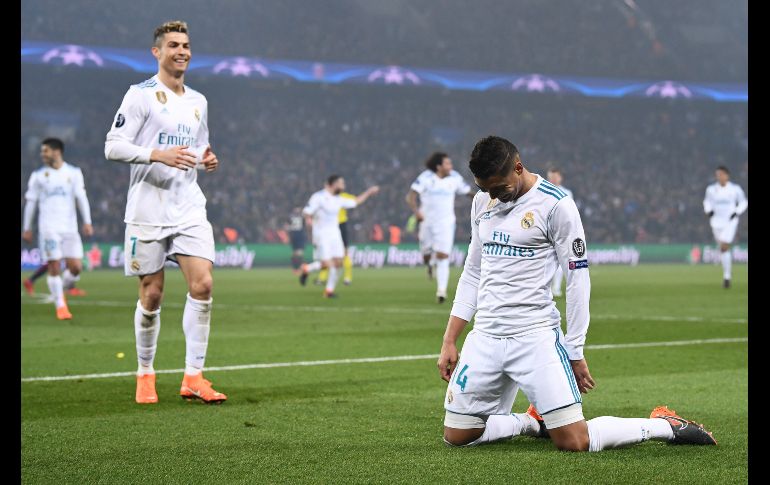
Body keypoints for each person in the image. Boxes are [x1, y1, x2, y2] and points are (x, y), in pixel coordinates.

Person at [438, 135, 716, 451]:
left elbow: (577, 280)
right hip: (485, 337)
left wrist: (575, 348)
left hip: (534, 337)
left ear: (518, 168)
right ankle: (532, 422)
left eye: (498, 188)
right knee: (458, 436)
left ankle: (665, 426)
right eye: (484, 189)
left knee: (575, 441)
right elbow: (473, 271)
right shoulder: (482, 202)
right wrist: (450, 339)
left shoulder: (556, 205)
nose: (492, 196)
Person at [104, 20, 226, 405]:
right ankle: (145, 373)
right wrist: (157, 153)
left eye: (186, 45)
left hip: (188, 205)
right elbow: (113, 146)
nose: (182, 51)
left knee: (203, 284)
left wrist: (206, 158)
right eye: (173, 44)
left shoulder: (198, 101)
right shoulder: (139, 95)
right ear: (156, 52)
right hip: (148, 209)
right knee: (152, 294)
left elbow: (200, 145)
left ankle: (193, 376)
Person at [22, 138, 93, 319]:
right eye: (42, 151)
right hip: (48, 228)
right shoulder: (38, 176)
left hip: (70, 227)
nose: (42, 154)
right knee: (53, 265)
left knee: (76, 267)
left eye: (45, 151)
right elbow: (31, 202)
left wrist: (87, 221)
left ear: (57, 151)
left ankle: (64, 287)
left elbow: (81, 197)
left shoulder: (74, 173)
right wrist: (27, 227)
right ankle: (60, 306)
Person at [406, 152, 473, 303]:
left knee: (443, 256)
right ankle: (429, 265)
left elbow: (468, 193)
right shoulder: (426, 178)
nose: (451, 166)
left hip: (446, 223)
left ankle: (441, 291)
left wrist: (488, 197)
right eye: (448, 163)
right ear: (439, 166)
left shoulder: (455, 178)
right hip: (426, 223)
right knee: (426, 255)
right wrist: (417, 212)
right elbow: (410, 196)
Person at [299, 176, 379, 297]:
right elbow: (306, 211)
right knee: (327, 262)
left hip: (335, 234)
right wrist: (308, 220)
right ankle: (309, 271)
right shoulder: (318, 197)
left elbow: (356, 201)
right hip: (321, 234)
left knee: (338, 263)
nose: (344, 185)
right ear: (333, 184)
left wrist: (369, 192)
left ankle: (327, 289)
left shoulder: (339, 199)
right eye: (341, 183)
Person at [703, 166, 747, 288]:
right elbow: (707, 202)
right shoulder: (711, 189)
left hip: (730, 222)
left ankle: (727, 277)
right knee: (723, 249)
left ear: (727, 175)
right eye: (717, 174)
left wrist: (736, 212)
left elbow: (744, 202)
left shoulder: (735, 189)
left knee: (724, 246)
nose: (719, 177)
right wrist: (709, 211)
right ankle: (727, 274)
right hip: (716, 222)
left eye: (721, 174)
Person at [316, 191, 356, 286]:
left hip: (340, 225)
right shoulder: (327, 197)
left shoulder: (343, 196)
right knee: (327, 253)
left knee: (344, 252)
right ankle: (322, 278)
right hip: (330, 227)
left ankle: (347, 277)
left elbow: (355, 201)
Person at [546, 167, 573, 297]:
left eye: (555, 176)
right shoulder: (542, 192)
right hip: (545, 230)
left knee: (561, 260)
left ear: (560, 178)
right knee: (545, 261)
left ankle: (556, 287)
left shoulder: (567, 193)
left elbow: (570, 213)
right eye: (550, 176)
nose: (553, 179)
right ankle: (545, 288)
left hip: (561, 231)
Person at [287, 207, 307, 273]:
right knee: (296, 253)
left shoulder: (292, 217)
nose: (297, 210)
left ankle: (297, 268)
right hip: (296, 236)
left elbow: (288, 226)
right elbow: (288, 226)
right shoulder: (300, 217)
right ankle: (296, 268)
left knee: (298, 253)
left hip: (298, 236)